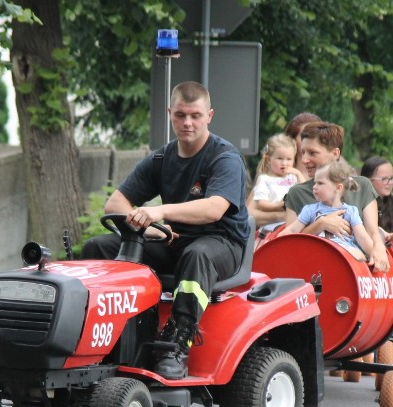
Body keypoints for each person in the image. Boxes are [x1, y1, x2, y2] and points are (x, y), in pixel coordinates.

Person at [81, 81, 249, 379]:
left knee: (196, 255)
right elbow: (115, 204)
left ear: (209, 115)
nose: (188, 122)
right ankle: (108, 334)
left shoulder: (225, 158)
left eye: (195, 115)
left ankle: (178, 343)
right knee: (99, 248)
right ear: (170, 113)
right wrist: (152, 231)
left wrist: (158, 211)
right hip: (173, 241)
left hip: (221, 244)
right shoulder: (161, 158)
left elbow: (214, 208)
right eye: (181, 115)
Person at [282, 121, 390, 272]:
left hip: (356, 271)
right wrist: (321, 224)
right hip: (311, 271)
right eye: (303, 152)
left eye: (312, 153)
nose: (305, 159)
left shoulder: (363, 186)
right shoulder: (296, 193)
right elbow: (288, 243)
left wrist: (378, 249)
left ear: (335, 153)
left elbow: (371, 232)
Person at [281, 159, 374, 261]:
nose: (314, 187)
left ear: (338, 188)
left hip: (345, 252)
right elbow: (292, 230)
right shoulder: (310, 210)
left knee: (358, 254)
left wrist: (374, 255)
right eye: (315, 183)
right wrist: (277, 240)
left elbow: (362, 237)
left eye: (320, 183)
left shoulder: (350, 211)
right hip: (319, 250)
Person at [246, 133, 305, 228]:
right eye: (279, 158)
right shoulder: (264, 179)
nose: (284, 163)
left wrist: (298, 174)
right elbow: (261, 204)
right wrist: (278, 207)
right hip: (270, 229)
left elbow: (305, 191)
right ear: (269, 160)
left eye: (289, 159)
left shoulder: (293, 177)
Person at [285, 112, 322, 179]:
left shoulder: (333, 175)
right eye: (304, 136)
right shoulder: (280, 174)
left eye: (314, 135)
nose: (310, 140)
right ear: (292, 140)